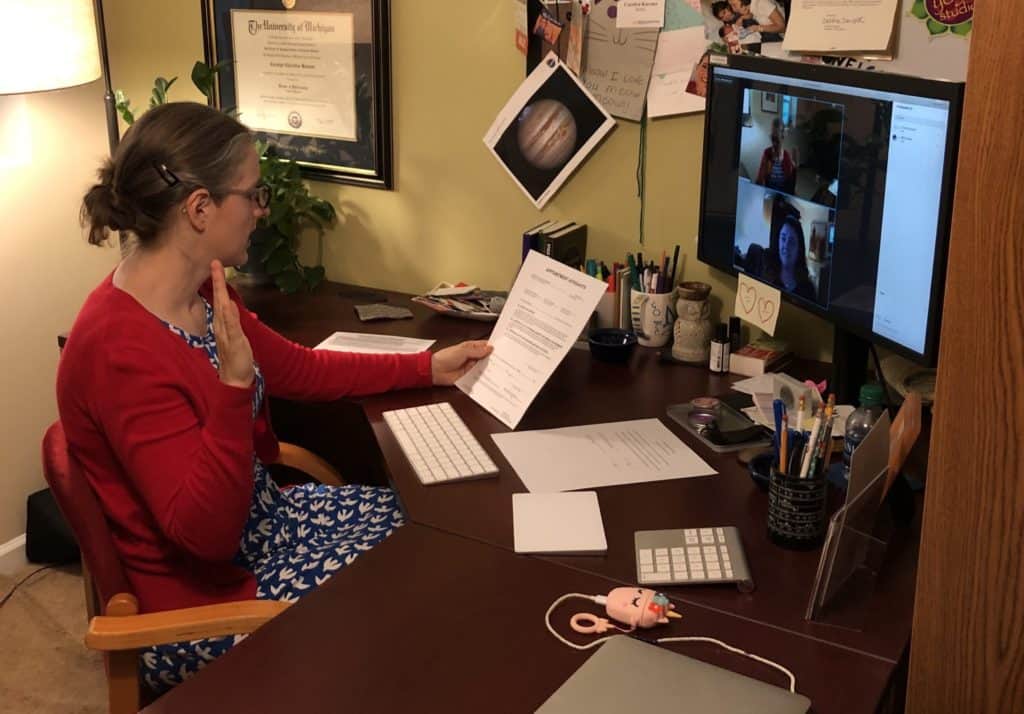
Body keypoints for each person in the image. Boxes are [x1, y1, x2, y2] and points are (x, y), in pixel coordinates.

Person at [58, 102, 492, 692]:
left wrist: (425, 367)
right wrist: (233, 390)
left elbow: (299, 369)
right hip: (206, 601)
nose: (262, 211)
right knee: (412, 592)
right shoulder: (116, 349)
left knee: (431, 529)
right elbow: (203, 538)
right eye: (253, 195)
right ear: (200, 208)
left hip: (269, 528)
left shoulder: (206, 291)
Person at [762, 215, 816, 300]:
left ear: (799, 248)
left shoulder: (808, 290)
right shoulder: (765, 274)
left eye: (792, 241)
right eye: (783, 238)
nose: (786, 246)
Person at [755, 117, 797, 195]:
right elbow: (759, 180)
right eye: (773, 138)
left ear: (783, 137)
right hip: (768, 194)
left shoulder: (787, 157)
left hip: (782, 196)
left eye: (777, 140)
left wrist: (794, 169)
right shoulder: (767, 153)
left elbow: (791, 187)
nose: (774, 144)